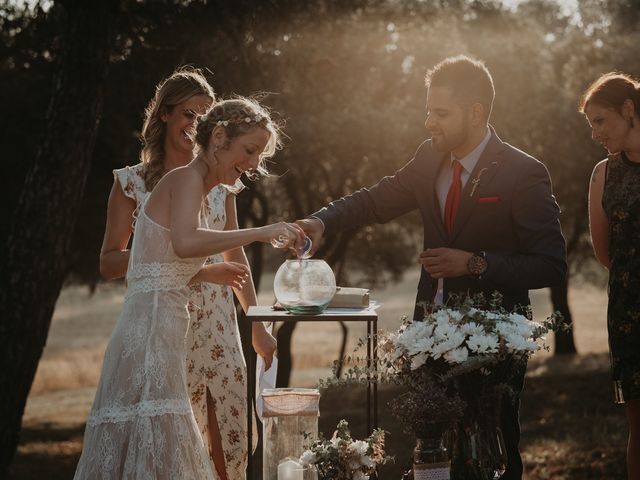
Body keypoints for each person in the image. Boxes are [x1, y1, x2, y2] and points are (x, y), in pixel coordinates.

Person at [296, 55, 567, 479]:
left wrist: (475, 264)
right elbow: (375, 199)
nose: (429, 122)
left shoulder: (523, 172)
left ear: (475, 112)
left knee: (492, 456)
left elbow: (550, 264)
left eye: (440, 113)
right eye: (428, 111)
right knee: (432, 457)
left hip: (493, 343)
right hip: (428, 334)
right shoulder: (428, 159)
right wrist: (322, 219)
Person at [74, 97, 306, 479]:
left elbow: (155, 265)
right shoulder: (186, 179)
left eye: (259, 156)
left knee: (161, 448)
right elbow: (184, 242)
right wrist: (263, 232)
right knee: (157, 445)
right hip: (150, 332)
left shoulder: (194, 184)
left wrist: (204, 275)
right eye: (249, 151)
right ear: (217, 137)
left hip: (162, 328)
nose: (252, 165)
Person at [582, 72, 640, 480]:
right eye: (591, 126)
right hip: (630, 314)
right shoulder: (603, 174)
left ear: (628, 109)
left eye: (600, 121)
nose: (595, 134)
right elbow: (605, 254)